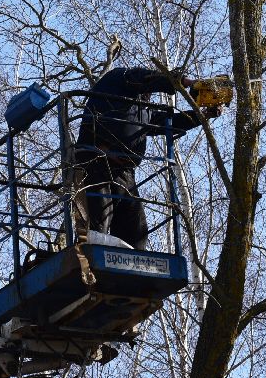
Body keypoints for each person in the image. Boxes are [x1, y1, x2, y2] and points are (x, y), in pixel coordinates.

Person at [72, 66, 221, 249]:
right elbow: (144, 77)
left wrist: (202, 115)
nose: (149, 95)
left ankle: (131, 270)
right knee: (98, 221)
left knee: (135, 230)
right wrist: (185, 82)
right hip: (93, 162)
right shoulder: (118, 79)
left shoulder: (143, 112)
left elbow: (167, 124)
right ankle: (88, 262)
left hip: (123, 172)